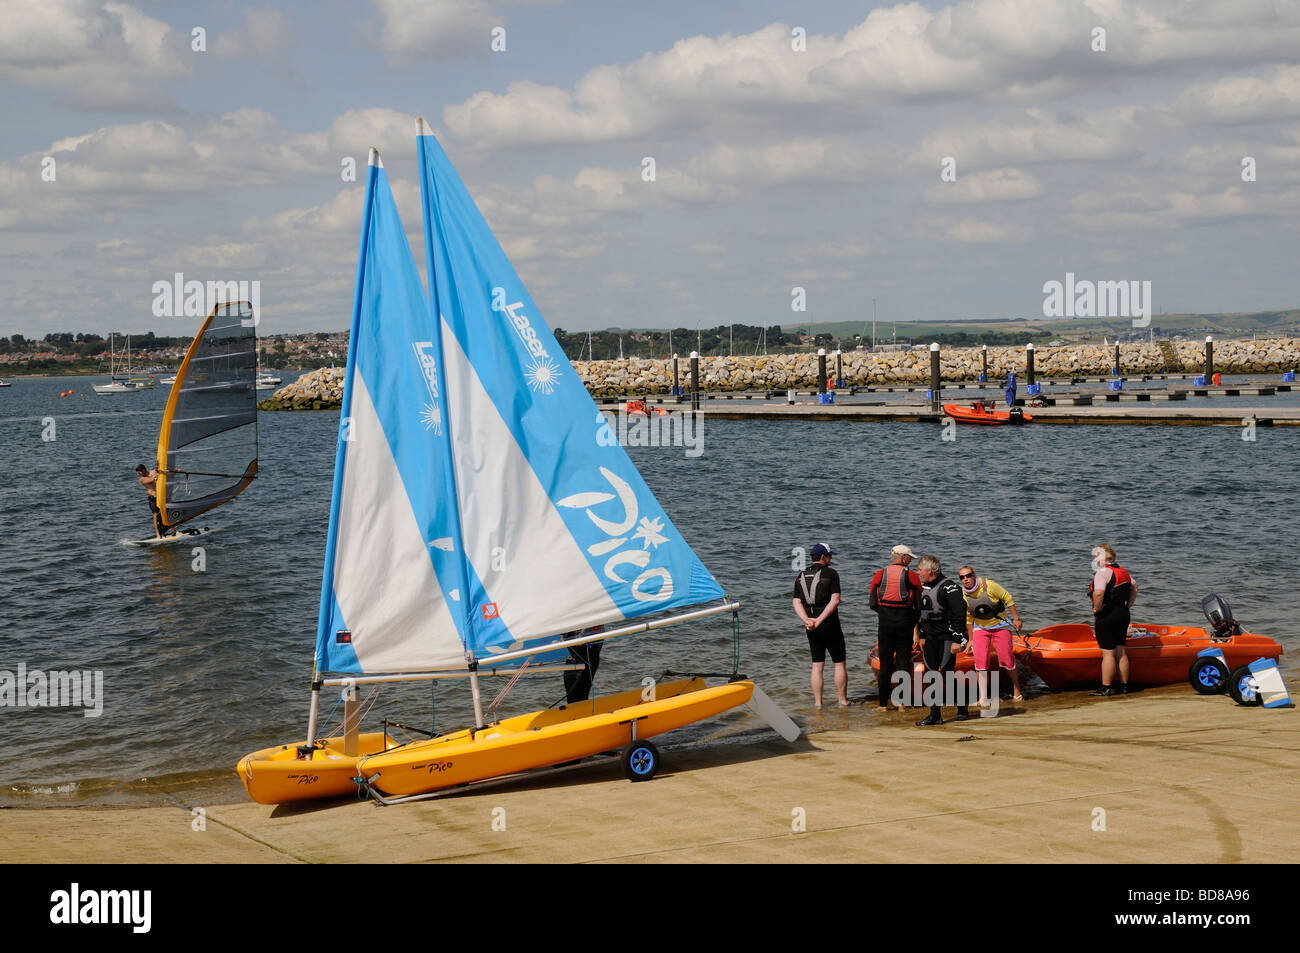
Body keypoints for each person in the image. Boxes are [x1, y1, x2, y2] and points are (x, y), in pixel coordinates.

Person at [913, 554, 970, 725]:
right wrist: (921, 635)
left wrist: (957, 640)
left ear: (930, 571)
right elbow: (920, 614)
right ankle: (935, 715)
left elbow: (959, 616)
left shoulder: (950, 588)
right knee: (930, 675)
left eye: (920, 570)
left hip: (947, 638)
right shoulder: (921, 587)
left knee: (946, 675)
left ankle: (962, 706)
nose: (918, 572)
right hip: (930, 638)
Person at [958, 565, 1023, 707]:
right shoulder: (963, 594)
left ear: (974, 575)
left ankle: (1016, 689)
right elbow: (969, 618)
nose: (965, 579)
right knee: (980, 662)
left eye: (968, 575)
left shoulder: (989, 586)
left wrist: (1016, 618)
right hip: (980, 628)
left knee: (1007, 659)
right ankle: (983, 698)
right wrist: (970, 639)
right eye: (962, 577)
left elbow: (1008, 598)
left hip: (1000, 626)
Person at [793, 543, 847, 708]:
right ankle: (842, 701)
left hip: (810, 626)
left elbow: (796, 602)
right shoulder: (831, 574)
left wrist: (808, 620)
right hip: (829, 623)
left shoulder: (801, 575)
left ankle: (818, 703)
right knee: (839, 663)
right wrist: (820, 619)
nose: (831, 559)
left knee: (817, 665)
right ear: (823, 557)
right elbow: (835, 600)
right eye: (829, 556)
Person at [868, 544, 921, 711]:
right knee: (903, 663)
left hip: (885, 623)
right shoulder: (911, 576)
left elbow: (872, 603)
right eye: (910, 558)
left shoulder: (879, 574)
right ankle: (902, 703)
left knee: (885, 664)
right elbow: (919, 605)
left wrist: (884, 613)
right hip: (905, 622)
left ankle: (883, 704)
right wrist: (912, 621)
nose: (910, 561)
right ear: (903, 558)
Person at [1089, 544, 1138, 696]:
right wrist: (1127, 606)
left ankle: (1106, 688)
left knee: (1108, 653)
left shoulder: (1102, 573)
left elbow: (1098, 593)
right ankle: (1124, 686)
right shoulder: (1123, 571)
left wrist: (1097, 609)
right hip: (1123, 613)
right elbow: (1135, 588)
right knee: (1121, 651)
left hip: (1107, 614)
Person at [562, 627, 603, 703]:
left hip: (585, 652)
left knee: (576, 697)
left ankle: (579, 711)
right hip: (583, 653)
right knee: (578, 697)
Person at [136, 463, 171, 539]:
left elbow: (165, 473)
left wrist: (174, 471)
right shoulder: (142, 479)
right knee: (155, 516)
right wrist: (158, 474)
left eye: (139, 473)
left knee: (166, 512)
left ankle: (173, 530)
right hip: (152, 499)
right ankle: (158, 534)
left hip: (160, 497)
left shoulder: (153, 472)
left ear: (144, 470)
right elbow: (151, 480)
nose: (139, 475)